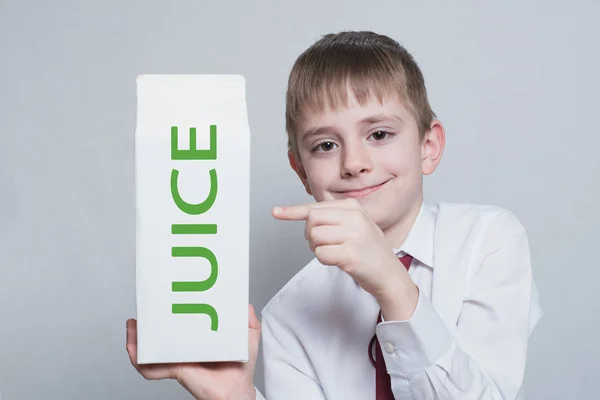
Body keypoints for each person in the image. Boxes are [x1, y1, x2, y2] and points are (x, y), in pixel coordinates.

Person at [126, 30, 543, 399]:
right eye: (325, 145)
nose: (354, 163)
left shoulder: (488, 242)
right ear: (301, 171)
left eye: (379, 134)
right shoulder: (289, 315)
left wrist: (392, 285)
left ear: (428, 145)